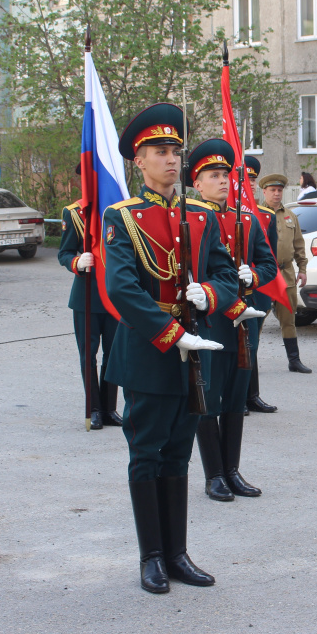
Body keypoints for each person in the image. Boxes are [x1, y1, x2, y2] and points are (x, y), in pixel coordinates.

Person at [102, 102, 239, 593]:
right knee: (147, 453)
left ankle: (178, 553)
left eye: (176, 151)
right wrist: (170, 332)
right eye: (160, 151)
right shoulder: (121, 217)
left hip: (194, 350)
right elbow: (121, 288)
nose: (172, 159)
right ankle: (152, 556)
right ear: (139, 161)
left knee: (179, 453)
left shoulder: (201, 216)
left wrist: (212, 294)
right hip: (149, 353)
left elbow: (224, 272)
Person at [187, 140, 272, 501]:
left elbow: (267, 264)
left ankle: (232, 469)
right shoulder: (189, 219)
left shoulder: (248, 221)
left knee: (237, 396)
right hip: (209, 321)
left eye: (226, 175)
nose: (223, 181)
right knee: (208, 396)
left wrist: (252, 275)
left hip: (242, 320)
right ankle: (214, 475)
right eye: (214, 176)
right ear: (197, 182)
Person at [59, 165, 122, 431]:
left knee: (113, 353)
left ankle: (109, 409)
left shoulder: (118, 211)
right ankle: (93, 409)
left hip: (115, 294)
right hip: (86, 295)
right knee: (89, 355)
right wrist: (77, 261)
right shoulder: (73, 213)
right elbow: (64, 253)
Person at [258, 171, 314, 374]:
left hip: (286, 273)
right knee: (257, 319)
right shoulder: (254, 214)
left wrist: (303, 269)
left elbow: (298, 244)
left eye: (280, 190)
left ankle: (294, 360)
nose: (276, 193)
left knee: (289, 319)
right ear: (264, 191)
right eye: (272, 190)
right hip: (263, 274)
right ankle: (250, 361)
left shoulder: (290, 216)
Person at [241, 155, 280, 413]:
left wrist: (269, 290)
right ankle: (234, 396)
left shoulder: (265, 215)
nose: (250, 184)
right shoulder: (210, 212)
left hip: (257, 291)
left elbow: (270, 258)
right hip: (229, 291)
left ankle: (251, 395)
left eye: (253, 179)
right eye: (246, 178)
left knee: (252, 345)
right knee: (234, 344)